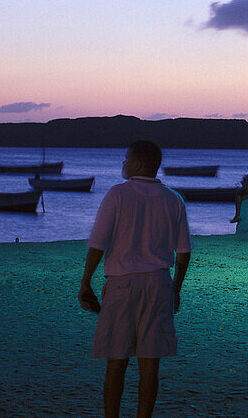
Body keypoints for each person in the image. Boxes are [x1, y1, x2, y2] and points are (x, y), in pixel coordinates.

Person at [79, 140, 191, 418]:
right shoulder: (173, 199)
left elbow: (98, 244)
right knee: (150, 364)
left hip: (122, 285)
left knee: (116, 362)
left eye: (126, 159)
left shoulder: (118, 195)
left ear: (139, 164)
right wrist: (175, 289)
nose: (123, 164)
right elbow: (184, 252)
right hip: (158, 283)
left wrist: (86, 282)